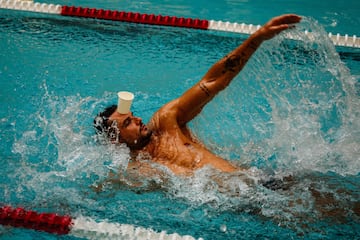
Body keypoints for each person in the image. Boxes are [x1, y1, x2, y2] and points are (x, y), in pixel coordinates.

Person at [94, 14, 302, 177]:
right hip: (243, 208)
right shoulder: (137, 172)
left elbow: (213, 81)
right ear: (115, 140)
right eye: (128, 122)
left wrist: (257, 38)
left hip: (260, 183)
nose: (138, 119)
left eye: (132, 115)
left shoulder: (166, 123)